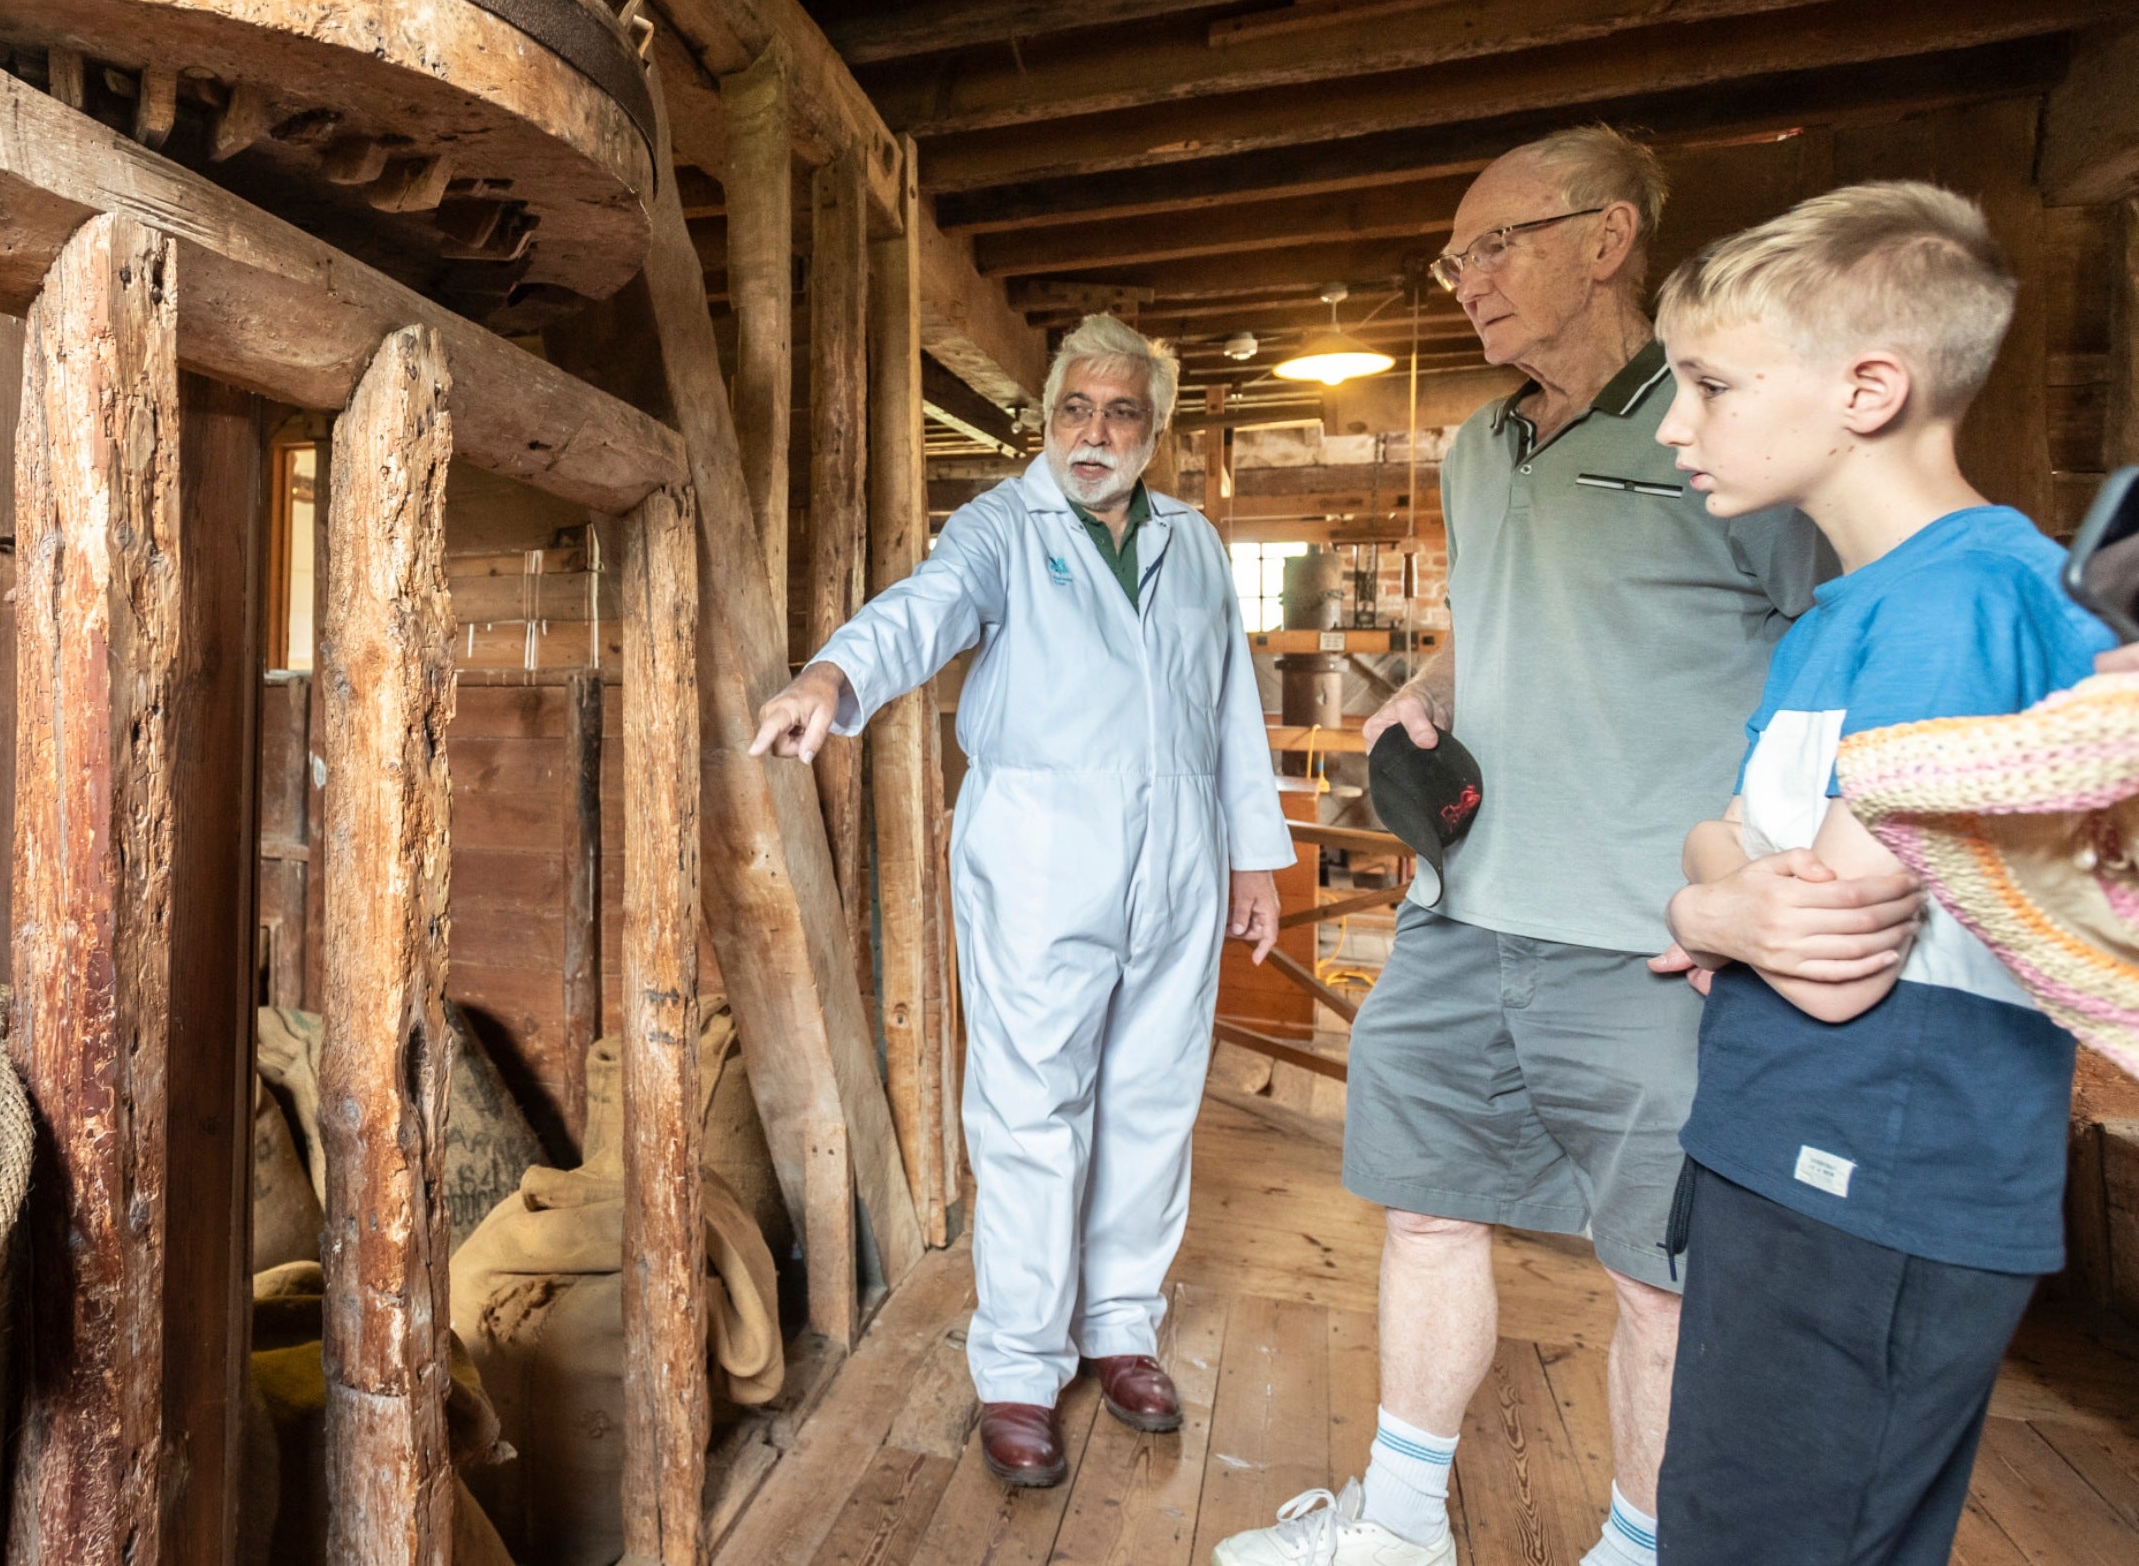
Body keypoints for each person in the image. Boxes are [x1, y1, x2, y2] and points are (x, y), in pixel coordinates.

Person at [1219, 127, 1845, 1566]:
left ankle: (1634, 1551)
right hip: (1462, 916)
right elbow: (1495, 618)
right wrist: (1436, 685)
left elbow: (1837, 644)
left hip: (1654, 943)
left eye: (1492, 246)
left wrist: (1764, 870)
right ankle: (1394, 1529)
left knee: (1662, 1286)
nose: (1464, 281)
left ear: (1609, 237)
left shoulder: (1720, 431)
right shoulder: (1474, 448)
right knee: (1426, 1215)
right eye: (1453, 258)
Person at [1644, 182, 2114, 1565]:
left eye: (1710, 384)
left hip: (1870, 1172)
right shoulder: (1847, 609)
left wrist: (1704, 904)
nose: (1677, 424)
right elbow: (1726, 837)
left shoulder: (1964, 599)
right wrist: (1722, 896)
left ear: (1869, 387)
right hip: (1799, 1155)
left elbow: (1831, 950)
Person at [750, 314, 1294, 1489]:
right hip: (1045, 849)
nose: (1092, 436)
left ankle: (1122, 1328)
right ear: (1045, 419)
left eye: (1119, 414)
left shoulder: (1194, 543)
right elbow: (926, 607)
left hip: (1183, 850)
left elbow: (1230, 708)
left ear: (1156, 430)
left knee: (1151, 1096)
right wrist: (833, 675)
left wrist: (1255, 856)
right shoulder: (1005, 524)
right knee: (1033, 1106)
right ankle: (1018, 1365)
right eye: (1073, 413)